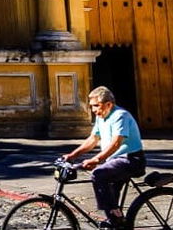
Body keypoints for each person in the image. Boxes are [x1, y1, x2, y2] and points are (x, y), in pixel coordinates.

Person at [62, 86, 146, 229]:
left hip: (131, 160)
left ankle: (115, 215)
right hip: (115, 161)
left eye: (96, 105)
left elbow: (116, 143)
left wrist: (96, 160)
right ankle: (115, 220)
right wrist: (72, 155)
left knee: (99, 174)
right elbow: (93, 139)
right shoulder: (101, 117)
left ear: (108, 104)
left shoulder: (120, 115)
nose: (93, 110)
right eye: (91, 106)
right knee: (109, 189)